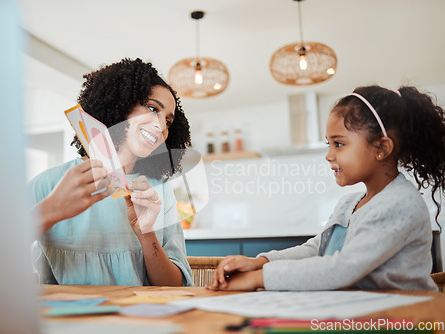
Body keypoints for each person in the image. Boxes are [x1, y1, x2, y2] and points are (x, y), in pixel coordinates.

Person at [207, 85, 445, 291]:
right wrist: (260, 262)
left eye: (339, 144)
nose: (329, 155)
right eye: (328, 144)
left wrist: (258, 279)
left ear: (381, 147)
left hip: (404, 320)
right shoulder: (349, 204)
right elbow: (317, 250)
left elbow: (343, 269)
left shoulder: (400, 203)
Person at [28, 58, 194, 286]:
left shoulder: (159, 192)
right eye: (153, 108)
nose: (162, 126)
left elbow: (174, 287)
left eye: (168, 121)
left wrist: (146, 234)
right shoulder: (47, 184)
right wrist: (51, 210)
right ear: (121, 103)